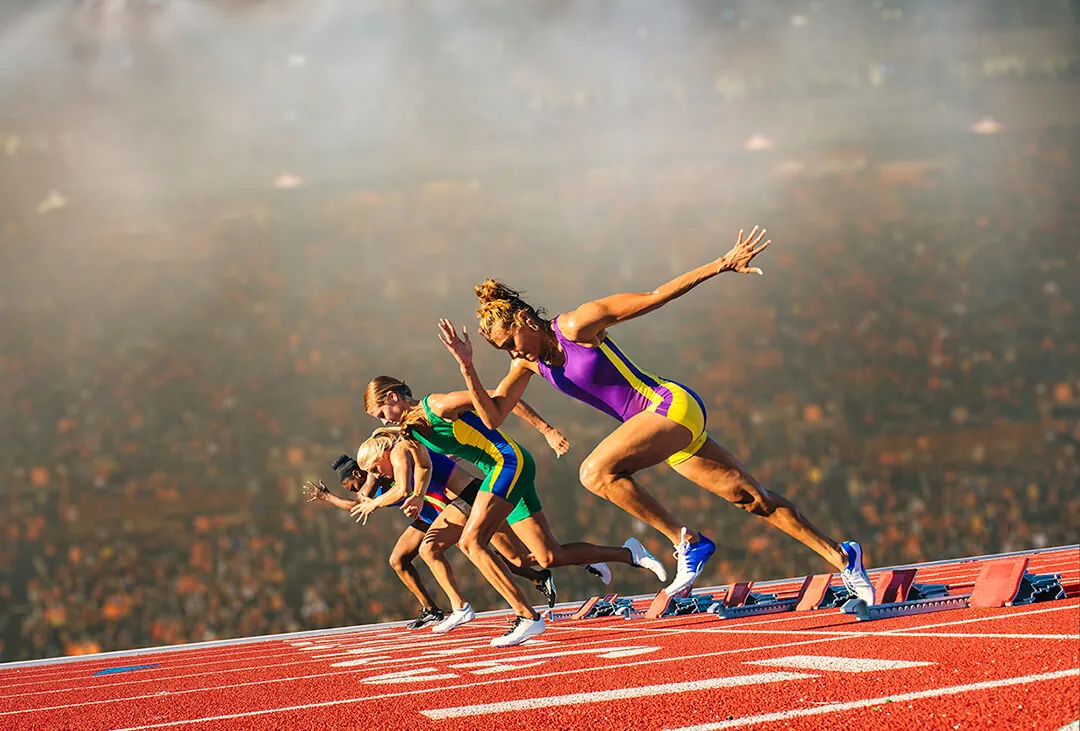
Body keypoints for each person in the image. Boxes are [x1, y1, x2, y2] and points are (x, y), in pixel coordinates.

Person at [435, 226, 874, 603]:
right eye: (502, 350)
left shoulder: (575, 326)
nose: (511, 352)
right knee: (753, 499)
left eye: (510, 341)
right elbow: (491, 418)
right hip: (663, 433)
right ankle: (843, 556)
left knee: (594, 473)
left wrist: (720, 264)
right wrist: (467, 366)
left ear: (525, 320)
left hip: (669, 406)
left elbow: (654, 297)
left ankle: (687, 541)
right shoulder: (528, 364)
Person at [362, 376, 666, 646]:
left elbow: (503, 399)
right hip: (499, 470)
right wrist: (417, 495)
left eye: (381, 414)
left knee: (471, 542)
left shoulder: (438, 405)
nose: (384, 422)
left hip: (508, 463)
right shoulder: (410, 432)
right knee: (547, 556)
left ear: (392, 397)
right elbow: (425, 467)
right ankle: (629, 554)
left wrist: (546, 430)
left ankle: (526, 617)